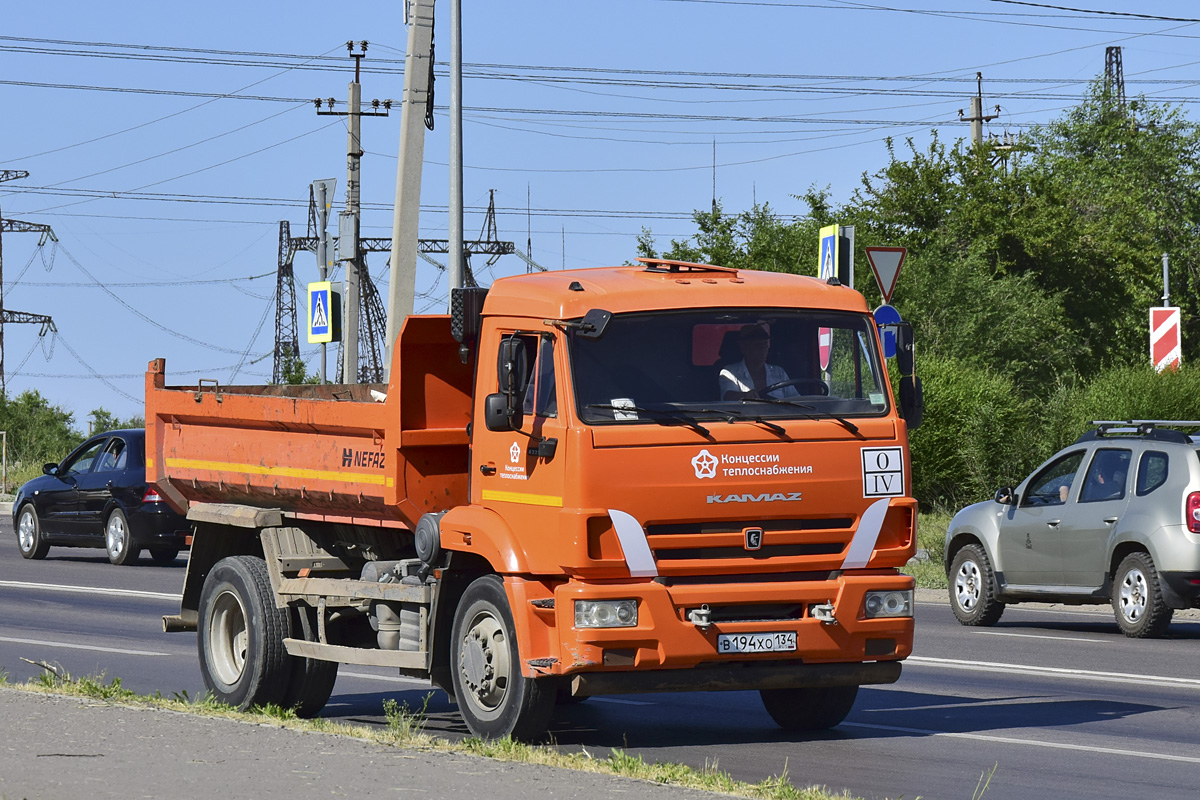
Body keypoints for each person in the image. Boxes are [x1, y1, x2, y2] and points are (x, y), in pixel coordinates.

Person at [718, 323, 800, 400]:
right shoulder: (729, 372)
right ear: (744, 347)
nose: (762, 349)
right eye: (757, 344)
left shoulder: (779, 372)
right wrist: (746, 396)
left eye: (764, 344)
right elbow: (728, 396)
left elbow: (795, 399)